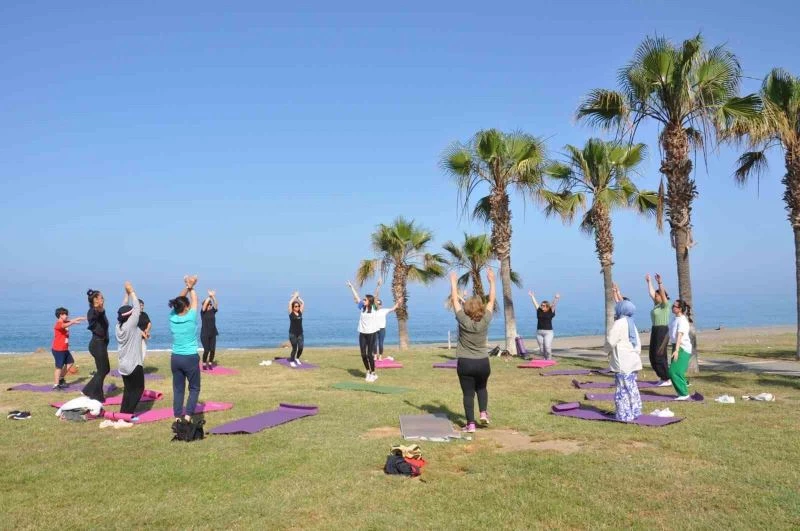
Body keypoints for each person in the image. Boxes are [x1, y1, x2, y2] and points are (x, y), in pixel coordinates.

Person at [450, 267, 496, 433]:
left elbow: (455, 301)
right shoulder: (485, 320)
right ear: (481, 309)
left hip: (466, 363)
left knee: (468, 394)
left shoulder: (463, 319)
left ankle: (470, 424)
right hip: (483, 362)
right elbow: (491, 301)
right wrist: (492, 281)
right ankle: (483, 413)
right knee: (482, 388)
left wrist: (453, 283)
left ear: (467, 309)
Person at [346, 281, 400, 382]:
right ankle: (368, 371)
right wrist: (351, 287)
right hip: (362, 333)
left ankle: (373, 373)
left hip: (371, 334)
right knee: (363, 354)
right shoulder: (362, 307)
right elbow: (357, 297)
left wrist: (378, 286)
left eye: (365, 299)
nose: (363, 300)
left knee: (370, 354)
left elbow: (375, 296)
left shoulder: (374, 309)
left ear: (369, 301)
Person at [607, 286, 643, 421]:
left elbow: (611, 341)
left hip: (623, 361)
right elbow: (637, 343)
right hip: (633, 360)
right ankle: (635, 411)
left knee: (622, 388)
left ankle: (624, 414)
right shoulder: (631, 323)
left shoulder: (619, 323)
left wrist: (606, 351)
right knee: (632, 387)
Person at [170, 275, 200, 423]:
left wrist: (187, 287)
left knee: (178, 389)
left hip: (176, 358)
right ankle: (187, 416)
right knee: (194, 388)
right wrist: (191, 286)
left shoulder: (172, 317)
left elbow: (178, 301)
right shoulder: (191, 317)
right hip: (190, 357)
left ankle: (177, 417)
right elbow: (195, 300)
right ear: (186, 307)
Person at [115, 281, 144, 427]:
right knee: (139, 390)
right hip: (133, 364)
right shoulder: (130, 326)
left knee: (128, 390)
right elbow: (137, 307)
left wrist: (126, 295)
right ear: (129, 316)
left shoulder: (118, 326)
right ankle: (128, 415)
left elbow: (123, 310)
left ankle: (122, 413)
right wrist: (132, 291)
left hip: (123, 365)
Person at [82, 289, 111, 402]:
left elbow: (101, 314)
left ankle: (88, 390)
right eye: (99, 298)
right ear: (94, 300)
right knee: (103, 370)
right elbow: (97, 314)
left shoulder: (100, 310)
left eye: (102, 297)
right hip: (97, 344)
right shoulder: (92, 311)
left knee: (104, 369)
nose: (101, 299)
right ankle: (96, 395)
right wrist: (99, 308)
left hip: (101, 344)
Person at [645, 273, 672, 386]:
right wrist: (649, 282)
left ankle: (667, 379)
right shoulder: (656, 305)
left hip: (662, 330)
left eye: (657, 296)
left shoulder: (666, 305)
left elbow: (661, 294)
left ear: (662, 296)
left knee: (659, 355)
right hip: (655, 330)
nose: (655, 297)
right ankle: (662, 377)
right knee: (652, 355)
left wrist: (660, 283)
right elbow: (651, 293)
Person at [51, 308, 85, 389]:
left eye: (67, 314)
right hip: (58, 349)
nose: (67, 316)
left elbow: (69, 321)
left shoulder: (64, 321)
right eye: (65, 314)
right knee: (59, 367)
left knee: (70, 362)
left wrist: (80, 318)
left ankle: (61, 379)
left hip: (64, 349)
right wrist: (73, 322)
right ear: (60, 315)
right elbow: (65, 325)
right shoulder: (59, 324)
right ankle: (56, 385)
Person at [668, 299, 694, 401]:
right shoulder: (674, 319)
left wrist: (677, 350)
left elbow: (680, 335)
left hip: (682, 347)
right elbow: (670, 333)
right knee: (677, 371)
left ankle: (684, 394)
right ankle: (683, 391)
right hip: (676, 346)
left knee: (673, 371)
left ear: (680, 309)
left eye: (674, 306)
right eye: (673, 306)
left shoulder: (682, 320)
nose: (672, 307)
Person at [528, 289, 560, 360]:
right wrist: (532, 296)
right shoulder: (539, 311)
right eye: (541, 305)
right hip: (539, 332)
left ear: (547, 306)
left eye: (544, 305)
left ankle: (549, 359)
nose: (542, 306)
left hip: (548, 332)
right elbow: (535, 303)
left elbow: (554, 305)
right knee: (542, 349)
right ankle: (544, 359)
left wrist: (556, 298)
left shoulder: (550, 311)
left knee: (547, 347)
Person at [373, 278, 400, 361]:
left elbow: (393, 308)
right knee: (374, 343)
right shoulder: (373, 310)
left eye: (379, 303)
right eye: (377, 303)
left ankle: (380, 356)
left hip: (382, 329)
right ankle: (375, 356)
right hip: (374, 328)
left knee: (380, 343)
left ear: (381, 305)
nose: (378, 304)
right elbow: (375, 296)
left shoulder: (384, 310)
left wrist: (398, 302)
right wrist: (378, 286)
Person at [200, 290, 219, 371]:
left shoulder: (212, 311)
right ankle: (204, 363)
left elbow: (216, 304)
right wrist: (209, 296)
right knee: (206, 350)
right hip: (204, 334)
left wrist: (213, 297)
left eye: (210, 304)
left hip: (213, 333)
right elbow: (204, 306)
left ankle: (210, 363)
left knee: (212, 350)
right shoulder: (203, 312)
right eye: (209, 304)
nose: (210, 306)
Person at [288, 292, 305, 367]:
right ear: (293, 307)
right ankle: (292, 360)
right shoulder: (291, 314)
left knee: (301, 348)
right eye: (295, 306)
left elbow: (303, 303)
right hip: (293, 334)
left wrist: (298, 297)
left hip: (300, 333)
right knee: (294, 348)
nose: (297, 307)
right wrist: (294, 297)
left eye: (298, 306)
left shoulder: (300, 313)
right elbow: (289, 303)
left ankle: (297, 358)